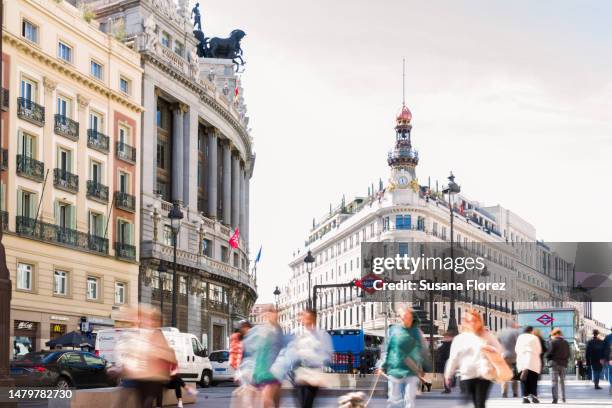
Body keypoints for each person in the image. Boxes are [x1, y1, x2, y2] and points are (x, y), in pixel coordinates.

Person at [115, 306, 177, 408]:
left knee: (146, 402)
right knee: (141, 402)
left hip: (154, 376)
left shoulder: (156, 334)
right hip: (141, 375)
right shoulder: (141, 333)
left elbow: (169, 355)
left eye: (150, 319)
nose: (148, 321)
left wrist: (157, 352)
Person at [271, 309, 333, 408]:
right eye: (304, 318)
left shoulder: (322, 334)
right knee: (300, 403)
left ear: (314, 319)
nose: (305, 320)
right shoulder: (297, 333)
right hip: (300, 374)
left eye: (307, 318)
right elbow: (287, 347)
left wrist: (319, 360)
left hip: (313, 375)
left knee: (307, 404)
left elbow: (328, 353)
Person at [445, 310, 502, 408]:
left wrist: (492, 352)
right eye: (469, 320)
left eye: (475, 320)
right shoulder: (460, 339)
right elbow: (453, 358)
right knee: (468, 403)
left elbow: (500, 351)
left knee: (480, 403)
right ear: (465, 322)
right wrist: (448, 374)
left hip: (484, 374)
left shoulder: (488, 336)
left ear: (480, 321)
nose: (473, 323)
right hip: (466, 374)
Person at [377, 306, 423, 408]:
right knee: (396, 401)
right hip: (396, 370)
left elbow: (419, 352)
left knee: (407, 400)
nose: (402, 318)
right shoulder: (394, 331)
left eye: (405, 316)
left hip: (409, 371)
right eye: (401, 316)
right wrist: (382, 366)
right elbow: (388, 350)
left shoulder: (415, 333)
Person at [240, 305, 284, 408]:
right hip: (261, 371)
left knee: (270, 400)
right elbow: (248, 347)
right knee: (268, 400)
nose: (270, 314)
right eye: (268, 312)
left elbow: (282, 348)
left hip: (273, 371)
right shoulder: (259, 330)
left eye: (272, 312)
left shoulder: (277, 330)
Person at [515, 326, 542, 403]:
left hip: (522, 361)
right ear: (531, 331)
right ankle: (534, 396)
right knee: (533, 380)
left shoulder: (520, 338)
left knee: (523, 379)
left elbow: (516, 349)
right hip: (533, 361)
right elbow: (539, 349)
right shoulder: (534, 338)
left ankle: (525, 397)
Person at [546, 328, 570, 404]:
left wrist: (548, 359)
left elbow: (549, 353)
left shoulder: (553, 342)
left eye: (552, 334)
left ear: (555, 334)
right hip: (563, 364)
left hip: (554, 364)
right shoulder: (566, 342)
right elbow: (568, 354)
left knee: (554, 382)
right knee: (562, 382)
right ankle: (563, 397)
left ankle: (555, 399)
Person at [497, 322, 520, 398]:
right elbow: (518, 343)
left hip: (504, 356)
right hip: (514, 356)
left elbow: (497, 344)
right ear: (513, 325)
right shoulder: (516, 332)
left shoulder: (500, 332)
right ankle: (515, 393)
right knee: (514, 376)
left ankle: (504, 392)